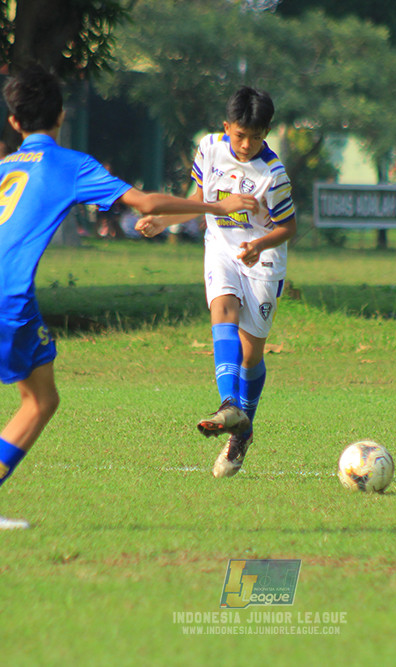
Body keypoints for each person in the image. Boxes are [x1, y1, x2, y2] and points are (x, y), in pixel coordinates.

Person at [0, 65, 258, 529]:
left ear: (14, 123)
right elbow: (148, 205)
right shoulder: (70, 165)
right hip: (5, 296)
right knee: (40, 401)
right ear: (60, 114)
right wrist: (216, 205)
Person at [136, 86, 296, 478]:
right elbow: (198, 199)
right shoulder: (209, 149)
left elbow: (288, 226)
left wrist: (259, 243)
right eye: (240, 135)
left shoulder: (273, 174)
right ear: (227, 127)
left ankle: (243, 429)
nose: (246, 144)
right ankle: (229, 405)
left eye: (256, 137)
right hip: (222, 249)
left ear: (267, 133)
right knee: (221, 310)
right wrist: (165, 220)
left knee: (250, 354)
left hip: (263, 261)